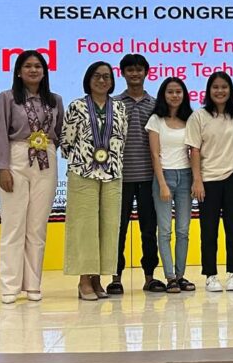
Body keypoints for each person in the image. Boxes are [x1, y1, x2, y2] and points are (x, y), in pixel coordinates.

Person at [0, 50, 64, 304]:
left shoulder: (55, 100)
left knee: (37, 226)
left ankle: (33, 284)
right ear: (19, 72)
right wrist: (2, 167)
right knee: (13, 226)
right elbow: (0, 133)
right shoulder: (7, 98)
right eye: (28, 66)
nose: (33, 70)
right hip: (17, 157)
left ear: (44, 72)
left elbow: (59, 132)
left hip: (46, 160)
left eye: (38, 66)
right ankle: (10, 286)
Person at [61, 61, 128, 300]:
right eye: (97, 76)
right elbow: (66, 142)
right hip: (83, 173)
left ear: (112, 81)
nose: (102, 80)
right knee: (85, 227)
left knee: (109, 227)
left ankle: (98, 278)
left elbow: (122, 139)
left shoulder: (119, 107)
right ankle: (84, 280)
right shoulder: (77, 106)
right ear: (88, 79)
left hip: (112, 174)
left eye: (106, 76)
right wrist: (84, 158)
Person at [185, 72, 233, 292]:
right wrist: (197, 180)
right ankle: (210, 275)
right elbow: (194, 150)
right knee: (209, 230)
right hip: (207, 179)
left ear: (231, 91)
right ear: (209, 91)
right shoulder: (198, 116)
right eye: (215, 87)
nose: (220, 91)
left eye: (224, 87)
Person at [111, 54, 163, 294]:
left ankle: (150, 277)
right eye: (130, 70)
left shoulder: (156, 105)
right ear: (122, 73)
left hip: (149, 179)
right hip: (119, 178)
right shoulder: (114, 104)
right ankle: (115, 278)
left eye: (139, 69)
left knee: (149, 231)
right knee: (118, 230)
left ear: (146, 73)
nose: (134, 74)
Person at [145, 77, 196, 293]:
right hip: (164, 176)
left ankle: (181, 275)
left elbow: (194, 151)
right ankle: (170, 277)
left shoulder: (191, 119)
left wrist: (195, 179)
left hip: (186, 176)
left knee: (183, 230)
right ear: (163, 95)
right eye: (170, 92)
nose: (174, 95)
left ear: (184, 95)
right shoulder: (155, 120)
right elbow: (154, 154)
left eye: (178, 92)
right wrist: (162, 183)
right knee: (165, 230)